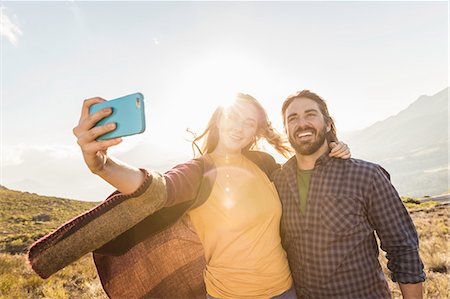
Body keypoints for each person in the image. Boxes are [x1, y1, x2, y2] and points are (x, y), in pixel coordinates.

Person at [28, 93, 350, 298]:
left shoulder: (263, 165)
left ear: (256, 132)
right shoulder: (199, 171)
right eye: (234, 117)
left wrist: (331, 150)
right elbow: (158, 188)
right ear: (219, 118)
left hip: (284, 290)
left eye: (250, 123)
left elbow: (301, 177)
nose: (240, 127)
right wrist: (102, 165)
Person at [273, 90, 425, 299]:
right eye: (293, 118)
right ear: (286, 130)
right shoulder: (278, 182)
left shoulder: (366, 176)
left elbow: (403, 248)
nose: (302, 123)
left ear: (327, 124)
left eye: (310, 114)